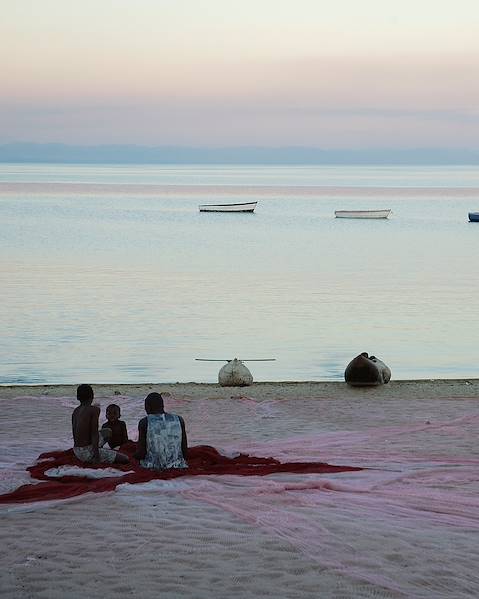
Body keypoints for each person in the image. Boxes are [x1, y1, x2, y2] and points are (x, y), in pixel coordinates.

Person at [72, 384, 129, 464]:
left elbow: (75, 433)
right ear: (92, 396)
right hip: (87, 452)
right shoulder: (94, 410)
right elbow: (94, 433)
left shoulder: (76, 411)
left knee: (108, 431)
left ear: (78, 397)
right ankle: (98, 452)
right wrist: (97, 456)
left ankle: (99, 450)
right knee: (125, 459)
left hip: (77, 451)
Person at [134, 392, 188, 470]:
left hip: (153, 466)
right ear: (162, 405)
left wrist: (132, 456)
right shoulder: (179, 419)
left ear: (148, 407)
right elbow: (184, 450)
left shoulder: (145, 422)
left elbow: (141, 453)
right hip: (178, 464)